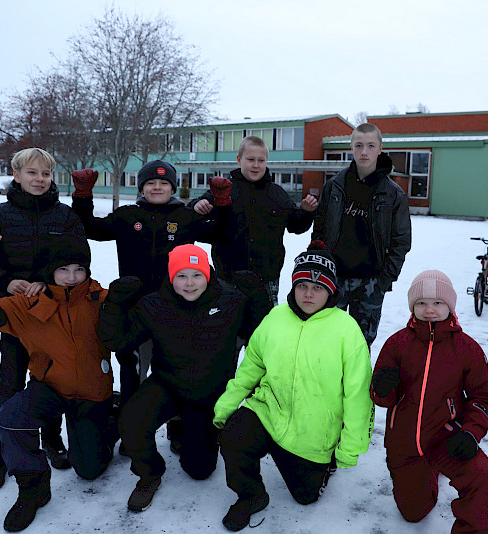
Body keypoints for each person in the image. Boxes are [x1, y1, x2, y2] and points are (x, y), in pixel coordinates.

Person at [0, 232, 116, 532]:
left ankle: (111, 423)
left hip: (92, 394)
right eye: (63, 270)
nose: (71, 277)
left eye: (79, 269)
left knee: (89, 471)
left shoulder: (101, 300)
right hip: (51, 388)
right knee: (12, 416)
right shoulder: (27, 305)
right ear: (49, 272)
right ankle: (33, 489)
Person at [213, 241, 374, 532]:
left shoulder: (347, 330)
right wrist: (226, 405)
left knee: (305, 497)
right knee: (234, 436)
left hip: (312, 432)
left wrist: (351, 446)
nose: (309, 294)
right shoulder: (275, 318)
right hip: (269, 410)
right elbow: (251, 367)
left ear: (331, 291)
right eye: (302, 285)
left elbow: (358, 394)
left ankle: (323, 468)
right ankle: (251, 495)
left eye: (318, 287)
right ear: (293, 286)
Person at [98, 244, 263, 513]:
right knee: (132, 421)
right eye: (181, 276)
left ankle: (192, 435)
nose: (189, 283)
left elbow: (262, 334)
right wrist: (115, 302)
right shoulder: (153, 304)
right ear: (171, 277)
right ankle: (149, 474)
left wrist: (258, 296)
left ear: (207, 275)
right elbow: (118, 340)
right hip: (168, 384)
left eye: (196, 275)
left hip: (210, 393)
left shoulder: (230, 302)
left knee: (199, 470)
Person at [70, 160, 223, 415]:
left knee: (176, 367)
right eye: (150, 183)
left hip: (175, 307)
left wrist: (221, 203)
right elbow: (90, 228)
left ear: (172, 187)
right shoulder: (128, 215)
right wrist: (83, 195)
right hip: (134, 306)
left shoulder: (186, 217)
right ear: (141, 187)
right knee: (131, 366)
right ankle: (131, 421)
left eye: (164, 183)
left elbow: (221, 233)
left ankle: (178, 425)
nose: (157, 187)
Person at [0, 148, 84, 491]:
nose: (39, 180)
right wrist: (4, 281)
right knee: (9, 385)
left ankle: (52, 439)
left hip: (54, 317)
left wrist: (47, 281)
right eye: (32, 173)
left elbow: (79, 261)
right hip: (15, 318)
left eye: (46, 174)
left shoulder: (65, 217)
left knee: (52, 381)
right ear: (17, 175)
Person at [371, 270, 488, 533]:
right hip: (404, 443)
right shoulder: (397, 344)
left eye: (437, 303)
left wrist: (471, 433)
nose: (429, 310)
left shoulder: (467, 348)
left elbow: (483, 398)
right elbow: (380, 398)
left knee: (483, 473)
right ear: (412, 306)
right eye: (422, 303)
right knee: (413, 514)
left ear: (449, 305)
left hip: (447, 438)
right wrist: (383, 389)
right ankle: (426, 474)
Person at [193, 135, 317, 316]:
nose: (256, 165)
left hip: (266, 280)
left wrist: (306, 212)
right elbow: (199, 211)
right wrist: (198, 204)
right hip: (229, 278)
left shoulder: (276, 194)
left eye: (261, 160)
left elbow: (295, 226)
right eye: (250, 160)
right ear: (239, 159)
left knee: (263, 334)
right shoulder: (225, 190)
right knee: (227, 333)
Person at [312, 123, 411, 347]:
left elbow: (402, 240)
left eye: (370, 146)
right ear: (351, 148)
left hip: (371, 282)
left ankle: (356, 384)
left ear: (380, 149)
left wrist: (384, 280)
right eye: (358, 145)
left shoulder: (393, 194)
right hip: (333, 279)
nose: (364, 152)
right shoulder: (334, 186)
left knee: (360, 345)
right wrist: (320, 266)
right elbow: (319, 229)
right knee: (326, 341)